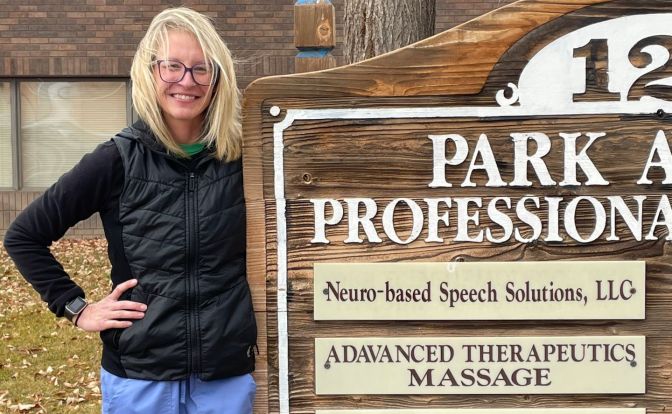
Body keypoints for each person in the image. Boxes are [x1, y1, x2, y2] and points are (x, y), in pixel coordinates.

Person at [3, 7, 257, 414]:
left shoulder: (246, 159)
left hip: (224, 376)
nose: (187, 81)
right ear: (150, 72)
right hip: (140, 374)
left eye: (201, 68)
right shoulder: (116, 159)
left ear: (218, 78)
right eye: (172, 66)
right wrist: (76, 308)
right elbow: (24, 236)